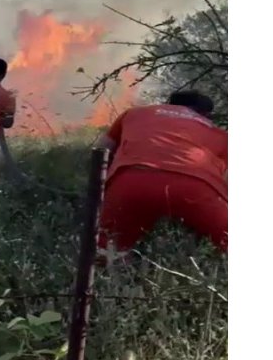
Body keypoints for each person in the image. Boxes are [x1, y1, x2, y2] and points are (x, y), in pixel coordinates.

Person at [94, 91, 228, 256]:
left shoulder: (135, 114)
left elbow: (101, 151)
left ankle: (105, 274)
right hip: (195, 186)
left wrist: (100, 192)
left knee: (106, 251)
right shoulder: (219, 134)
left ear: (169, 103)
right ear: (206, 115)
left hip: (132, 179)